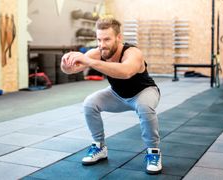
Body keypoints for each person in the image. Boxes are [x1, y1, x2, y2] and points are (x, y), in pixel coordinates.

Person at [60, 17, 162, 174]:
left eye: (106, 39)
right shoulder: (97, 52)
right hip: (117, 95)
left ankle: (153, 152)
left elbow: (126, 72)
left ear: (118, 38)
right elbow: (72, 70)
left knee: (144, 107)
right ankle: (99, 147)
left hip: (144, 92)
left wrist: (90, 62)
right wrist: (66, 63)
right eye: (99, 40)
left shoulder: (133, 52)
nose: (102, 45)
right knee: (90, 103)